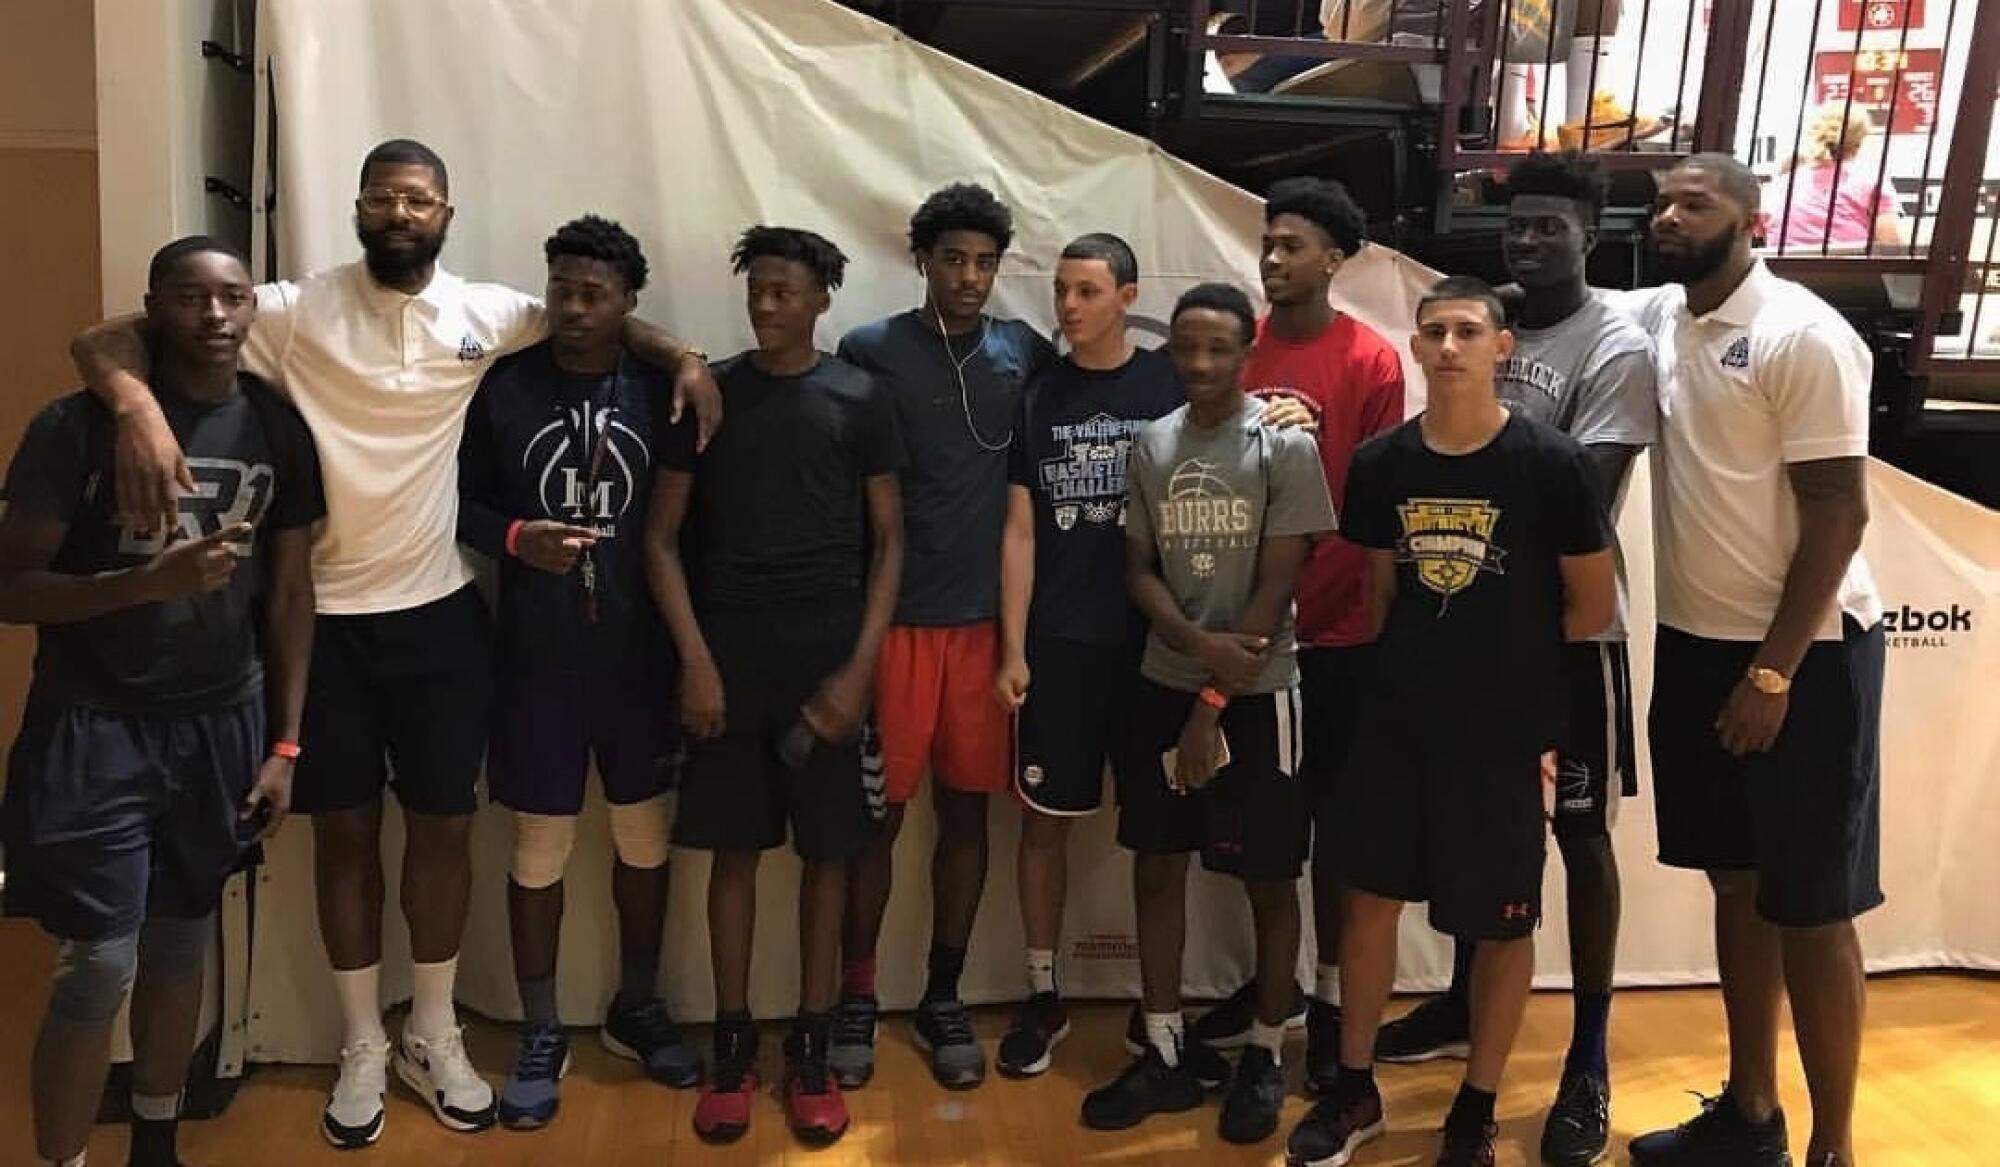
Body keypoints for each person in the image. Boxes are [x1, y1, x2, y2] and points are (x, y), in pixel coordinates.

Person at [67, 139, 718, 1149]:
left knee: (445, 832)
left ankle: (435, 1031)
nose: (400, 211)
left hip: (442, 617)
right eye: (383, 196)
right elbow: (107, 338)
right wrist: (137, 407)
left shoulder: (490, 313)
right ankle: (363, 1042)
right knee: (342, 839)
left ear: (445, 213)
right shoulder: (287, 308)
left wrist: (682, 359)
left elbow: (606, 322)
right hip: (320, 622)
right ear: (360, 208)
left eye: (418, 198)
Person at [2, 236, 321, 1167]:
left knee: (185, 940)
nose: (214, 319)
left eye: (231, 299)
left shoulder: (275, 423)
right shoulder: (74, 428)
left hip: (223, 718)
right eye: (190, 299)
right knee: (99, 961)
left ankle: (156, 1140)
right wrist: (135, 586)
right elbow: (11, 586)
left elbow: (291, 594)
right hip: (94, 721)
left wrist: (286, 744)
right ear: (152, 308)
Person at [1285, 276, 1615, 1167]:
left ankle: (1475, 1109)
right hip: (1396, 722)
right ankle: (1355, 1090)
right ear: (1419, 346)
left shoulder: (1551, 463)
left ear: (1502, 347)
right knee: (1367, 905)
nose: (1451, 346)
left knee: (1503, 924)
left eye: (1470, 330)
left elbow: (1589, 604)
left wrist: (1505, 669)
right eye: (1434, 331)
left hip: (1503, 736)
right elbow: (1384, 586)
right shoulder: (1385, 461)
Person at [1373, 150, 1656, 1167]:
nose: (1528, 239)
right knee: (1470, 828)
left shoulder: (1613, 344)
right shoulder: (1480, 319)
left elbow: (1588, 496)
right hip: (1466, 638)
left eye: (1549, 225)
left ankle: (1585, 1058)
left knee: (1578, 838)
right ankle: (1458, 1003)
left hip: (1570, 638)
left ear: (1590, 231)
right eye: (1516, 224)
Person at [993, 233, 1313, 1082]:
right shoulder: (1041, 392)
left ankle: (1216, 1029)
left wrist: (1296, 407)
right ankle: (1048, 994)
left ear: (1126, 297)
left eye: (1087, 290)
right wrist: (1013, 644)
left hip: (1163, 658)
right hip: (1070, 642)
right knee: (1064, 830)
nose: (1068, 305)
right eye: (1060, 289)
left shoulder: (1174, 375)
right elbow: (1021, 527)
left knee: (1204, 851)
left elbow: (1242, 408)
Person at [1621, 154, 1884, 1167]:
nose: (1671, 217)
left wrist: (1771, 674)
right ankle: (1749, 1115)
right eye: (1660, 204)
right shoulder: (1659, 319)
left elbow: (1838, 512)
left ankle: (1834, 1148)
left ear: (1750, 217)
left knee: (1811, 909)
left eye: (1695, 202)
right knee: (1737, 886)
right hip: (1695, 647)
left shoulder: (1801, 336)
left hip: (1803, 660)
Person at [644, 225, 903, 1148]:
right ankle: (731, 1044)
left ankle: (811, 1045)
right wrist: (697, 660)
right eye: (757, 289)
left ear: (822, 298)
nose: (767, 305)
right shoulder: (707, 393)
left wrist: (859, 668)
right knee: (732, 852)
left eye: (786, 291)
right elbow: (661, 542)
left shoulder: (859, 397)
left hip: (829, 653)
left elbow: (890, 543)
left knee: (827, 855)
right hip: (728, 655)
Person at [456, 215, 700, 1129]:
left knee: (645, 838)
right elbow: (459, 503)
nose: (572, 307)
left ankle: (638, 1005)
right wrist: (519, 538)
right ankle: (541, 1025)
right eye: (561, 288)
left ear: (629, 302)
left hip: (638, 656)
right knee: (538, 846)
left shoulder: (660, 392)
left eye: (594, 293)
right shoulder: (506, 387)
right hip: (535, 656)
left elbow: (681, 532)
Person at [1081, 282, 1334, 1145]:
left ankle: (1265, 1049)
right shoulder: (1153, 444)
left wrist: (1213, 700)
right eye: (1184, 348)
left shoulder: (1283, 447)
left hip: (1260, 692)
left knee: (1269, 875)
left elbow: (1279, 576)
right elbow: (1139, 566)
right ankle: (1163, 1047)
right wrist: (1191, 639)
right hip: (1162, 678)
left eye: (1217, 349)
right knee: (1157, 862)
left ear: (1245, 353)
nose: (1198, 364)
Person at [829, 183, 1054, 1091]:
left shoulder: (1022, 353)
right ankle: (854, 995)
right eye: (953, 259)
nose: (969, 276)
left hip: (981, 632)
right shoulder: (870, 349)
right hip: (889, 629)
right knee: (874, 823)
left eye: (985, 263)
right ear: (921, 259)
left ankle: (944, 992)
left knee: (967, 815)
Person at [1213, 176, 1404, 1088]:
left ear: (1334, 258)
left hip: (1341, 639)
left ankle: (1331, 1001)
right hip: (1251, 634)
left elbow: (1376, 514)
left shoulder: (1370, 362)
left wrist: (1376, 633)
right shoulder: (1232, 352)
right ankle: (1272, 989)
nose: (1274, 259)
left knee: (1340, 831)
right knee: (1265, 836)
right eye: (1268, 243)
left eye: (1293, 245)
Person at [1766, 103, 1906, 253]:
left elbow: (1763, 229)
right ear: (1860, 141)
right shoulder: (1870, 180)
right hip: (1850, 273)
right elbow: (1894, 245)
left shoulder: (1782, 184)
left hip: (1783, 273)